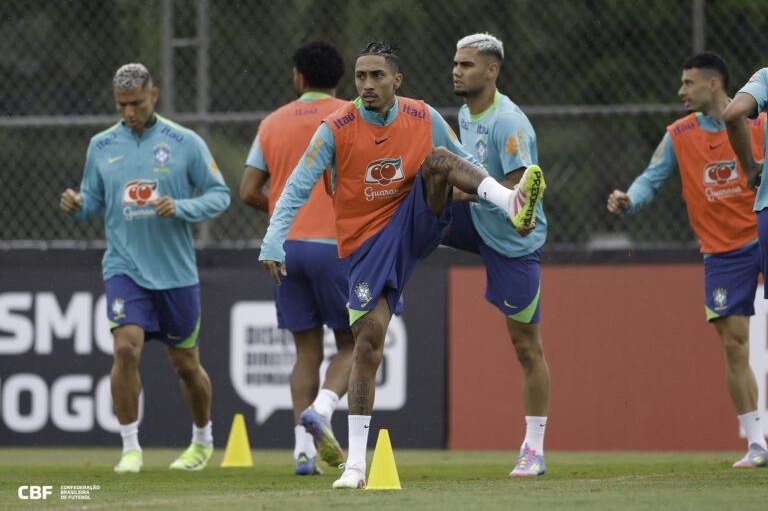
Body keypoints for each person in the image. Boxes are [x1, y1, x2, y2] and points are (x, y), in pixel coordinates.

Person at [259, 41, 546, 489]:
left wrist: (497, 197)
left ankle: (512, 203)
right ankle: (356, 466)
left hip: (417, 219)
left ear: (397, 80)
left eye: (377, 76)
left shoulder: (422, 114)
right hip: (366, 245)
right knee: (367, 343)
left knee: (440, 161)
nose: (367, 84)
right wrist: (273, 241)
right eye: (360, 76)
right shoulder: (335, 127)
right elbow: (297, 185)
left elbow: (464, 161)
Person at [60, 63, 231, 474]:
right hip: (124, 267)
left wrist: (181, 207)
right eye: (122, 105)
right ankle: (130, 448)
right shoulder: (101, 145)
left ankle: (202, 439)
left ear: (153, 96)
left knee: (185, 365)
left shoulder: (184, 142)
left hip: (175, 273)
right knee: (125, 348)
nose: (129, 112)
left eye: (137, 103)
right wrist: (78, 205)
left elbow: (220, 194)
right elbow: (93, 202)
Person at [610, 52, 768, 468]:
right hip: (722, 251)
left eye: (688, 83)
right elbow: (652, 177)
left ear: (713, 84)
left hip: (762, 234)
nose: (681, 91)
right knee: (734, 344)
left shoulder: (759, 122)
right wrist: (629, 199)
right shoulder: (679, 134)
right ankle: (757, 443)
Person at [240, 41, 353, 476]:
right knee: (354, 344)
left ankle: (302, 453)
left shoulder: (272, 122)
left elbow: (248, 189)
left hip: (285, 247)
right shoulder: (351, 115)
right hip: (337, 245)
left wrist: (280, 213)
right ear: (339, 78)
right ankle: (321, 410)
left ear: (299, 77)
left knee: (306, 352)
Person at [447, 33, 550, 477]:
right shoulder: (463, 114)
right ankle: (384, 281)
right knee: (417, 206)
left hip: (513, 241)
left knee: (526, 346)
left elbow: (519, 190)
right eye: (456, 63)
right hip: (477, 224)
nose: (456, 71)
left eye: (467, 65)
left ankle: (534, 448)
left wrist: (465, 193)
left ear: (492, 71)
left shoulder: (509, 123)